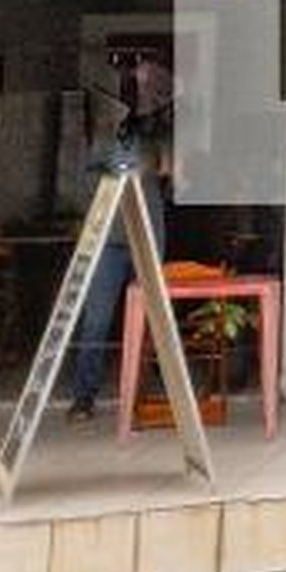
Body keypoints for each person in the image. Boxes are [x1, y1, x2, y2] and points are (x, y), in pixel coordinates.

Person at [61, 59, 174, 421]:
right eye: (140, 88)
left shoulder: (161, 131)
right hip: (109, 233)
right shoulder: (106, 129)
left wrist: (158, 132)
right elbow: (87, 174)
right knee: (97, 316)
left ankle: (158, 388)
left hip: (147, 232)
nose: (145, 95)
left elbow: (170, 171)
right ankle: (84, 395)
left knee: (155, 315)